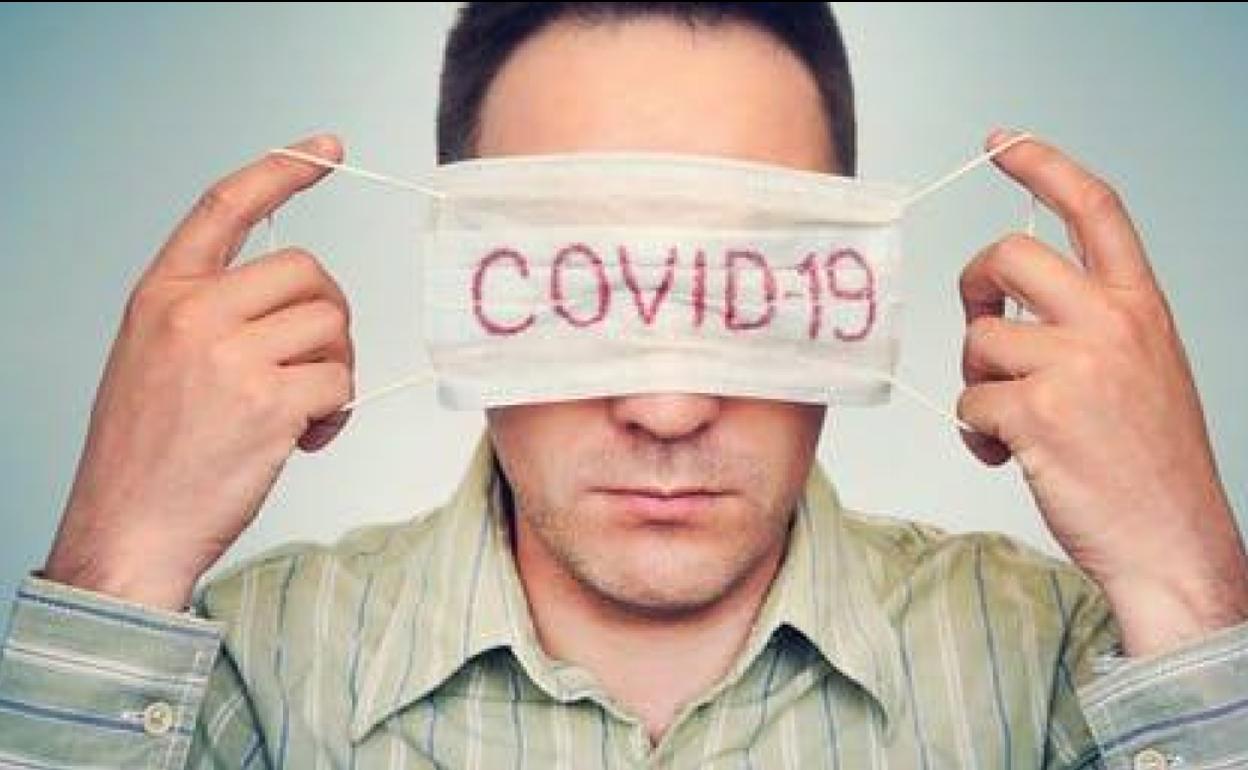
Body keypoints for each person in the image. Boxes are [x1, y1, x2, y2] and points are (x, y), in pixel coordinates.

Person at [1, 3, 1246, 768]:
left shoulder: (1057, 667)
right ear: (467, 274)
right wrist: (122, 555)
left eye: (750, 283)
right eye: (574, 284)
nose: (667, 408)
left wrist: (1188, 576)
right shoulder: (247, 675)